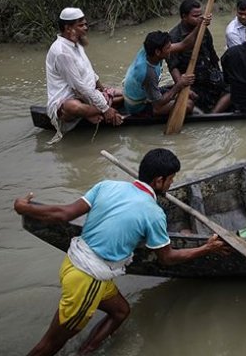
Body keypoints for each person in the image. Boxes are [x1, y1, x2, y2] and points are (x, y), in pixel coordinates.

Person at [12, 149, 228, 356]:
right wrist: (206, 248)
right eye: (171, 179)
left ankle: (86, 351)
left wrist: (24, 207)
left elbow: (65, 213)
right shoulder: (153, 213)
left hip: (74, 262)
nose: (171, 184)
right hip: (89, 277)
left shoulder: (107, 186)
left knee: (120, 311)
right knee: (50, 345)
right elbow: (167, 258)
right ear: (159, 181)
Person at [45, 7, 124, 143]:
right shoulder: (61, 52)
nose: (86, 28)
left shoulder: (76, 43)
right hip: (68, 100)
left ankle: (91, 113)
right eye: (81, 25)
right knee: (73, 106)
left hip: (85, 94)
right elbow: (79, 87)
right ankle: (93, 113)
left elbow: (90, 71)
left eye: (85, 24)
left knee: (124, 95)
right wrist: (105, 109)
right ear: (68, 28)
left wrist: (102, 88)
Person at [122, 28, 206, 117]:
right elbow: (158, 105)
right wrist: (179, 85)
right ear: (158, 52)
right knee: (189, 105)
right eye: (168, 48)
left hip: (144, 93)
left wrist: (199, 26)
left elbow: (184, 45)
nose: (171, 49)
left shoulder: (149, 50)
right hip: (139, 106)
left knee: (188, 94)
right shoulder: (148, 73)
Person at [168, 0, 230, 113]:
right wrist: (183, 87)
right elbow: (173, 66)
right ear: (184, 17)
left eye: (200, 15)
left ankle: (213, 115)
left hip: (208, 76)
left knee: (233, 86)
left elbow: (212, 54)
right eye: (195, 16)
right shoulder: (174, 36)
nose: (200, 18)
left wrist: (218, 73)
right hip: (192, 81)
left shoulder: (203, 29)